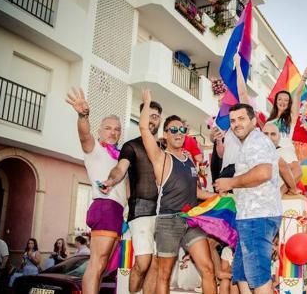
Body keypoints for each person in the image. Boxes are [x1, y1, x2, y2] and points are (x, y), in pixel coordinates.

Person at [139, 89, 216, 294]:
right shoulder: (160, 158)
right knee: (164, 274)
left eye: (182, 130)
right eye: (173, 130)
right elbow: (145, 130)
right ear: (165, 135)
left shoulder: (189, 159)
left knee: (208, 269)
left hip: (190, 220)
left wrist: (219, 196)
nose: (179, 134)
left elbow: (197, 192)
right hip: (168, 221)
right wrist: (147, 103)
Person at [215, 103, 283, 294]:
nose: (236, 124)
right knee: (242, 277)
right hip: (250, 217)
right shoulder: (251, 143)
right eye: (233, 120)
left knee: (259, 280)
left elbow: (263, 172)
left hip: (257, 217)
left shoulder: (256, 141)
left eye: (241, 118)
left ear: (253, 121)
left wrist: (231, 182)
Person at [65, 88, 127, 294]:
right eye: (108, 128)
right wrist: (83, 115)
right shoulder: (95, 150)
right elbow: (84, 135)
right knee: (96, 264)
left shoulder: (121, 157)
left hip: (118, 212)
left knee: (103, 268)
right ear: (100, 131)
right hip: (105, 206)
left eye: (117, 129)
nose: (113, 132)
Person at [103, 101, 163, 294]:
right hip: (141, 211)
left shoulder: (164, 147)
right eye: (148, 115)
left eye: (156, 116)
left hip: (163, 212)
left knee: (155, 263)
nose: (152, 119)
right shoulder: (131, 146)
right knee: (143, 262)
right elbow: (120, 168)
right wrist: (111, 180)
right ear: (141, 118)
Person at [266, 65, 307, 182]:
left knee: (297, 174)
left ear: (289, 103)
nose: (283, 102)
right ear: (276, 101)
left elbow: (297, 94)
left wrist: (305, 76)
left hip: (289, 151)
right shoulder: (270, 121)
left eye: (286, 100)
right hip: (275, 152)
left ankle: (280, 194)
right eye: (280, 99)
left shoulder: (291, 117)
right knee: (282, 179)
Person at [262, 122, 299, 195]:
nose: (269, 137)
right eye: (265, 134)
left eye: (273, 134)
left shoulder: (285, 152)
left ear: (279, 138)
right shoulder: (253, 152)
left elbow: (298, 171)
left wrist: (281, 191)